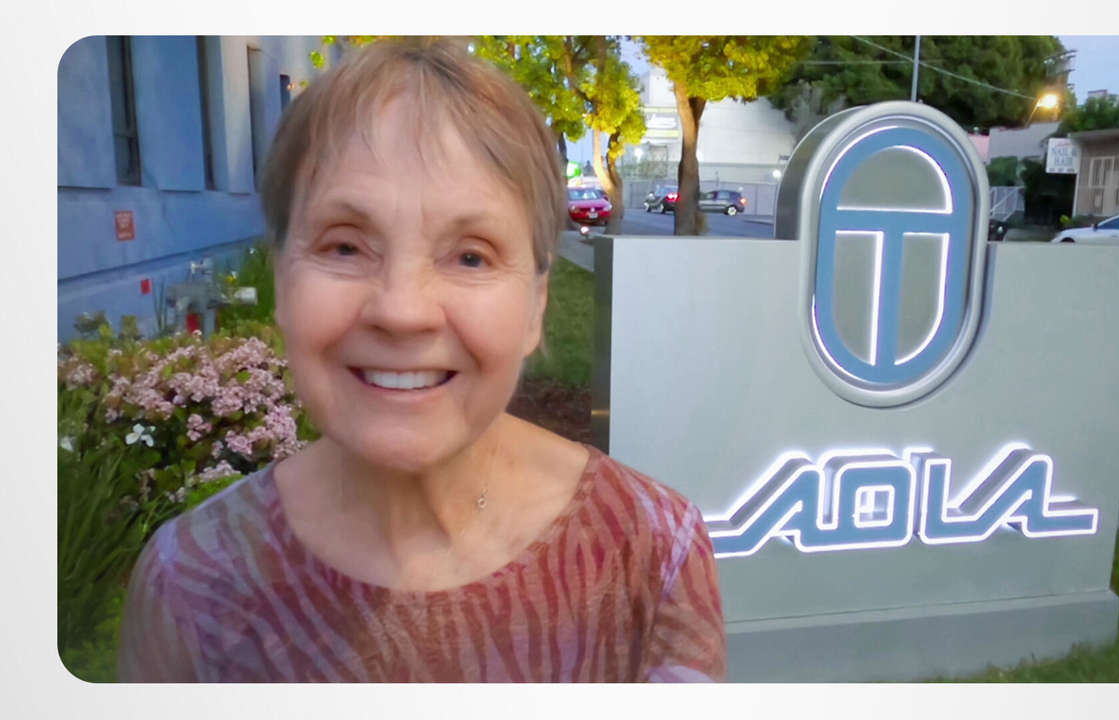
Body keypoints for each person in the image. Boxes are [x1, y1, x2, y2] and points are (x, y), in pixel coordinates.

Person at [117, 39, 726, 682]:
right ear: (284, 285)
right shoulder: (193, 590)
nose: (402, 311)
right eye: (345, 247)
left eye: (471, 256)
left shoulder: (648, 556)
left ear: (535, 305)